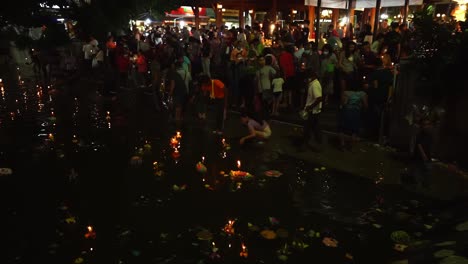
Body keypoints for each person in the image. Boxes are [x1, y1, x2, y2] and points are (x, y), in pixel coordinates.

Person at [339, 80, 368, 151]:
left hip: (347, 112)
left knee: (342, 129)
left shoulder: (345, 93)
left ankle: (342, 145)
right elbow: (366, 105)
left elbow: (343, 104)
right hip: (356, 112)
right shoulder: (363, 94)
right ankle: (350, 146)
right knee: (354, 130)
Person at [300, 70, 323, 151]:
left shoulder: (315, 85)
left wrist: (309, 107)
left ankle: (305, 145)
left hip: (312, 111)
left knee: (307, 128)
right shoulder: (313, 84)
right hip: (314, 111)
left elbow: (319, 98)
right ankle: (317, 144)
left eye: (308, 77)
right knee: (315, 128)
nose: (307, 79)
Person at [411, 118, 433, 188]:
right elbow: (419, 144)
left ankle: (425, 184)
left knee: (427, 171)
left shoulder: (429, 135)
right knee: (418, 171)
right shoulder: (420, 134)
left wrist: (430, 155)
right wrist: (423, 154)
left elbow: (430, 145)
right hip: (419, 157)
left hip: (427, 156)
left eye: (428, 124)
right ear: (422, 126)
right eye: (425, 125)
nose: (427, 126)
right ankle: (418, 184)